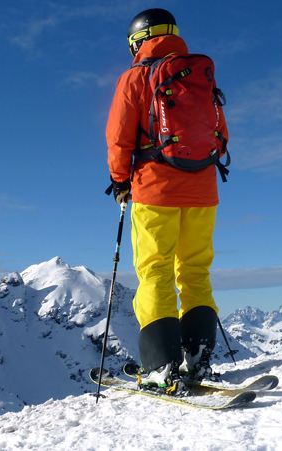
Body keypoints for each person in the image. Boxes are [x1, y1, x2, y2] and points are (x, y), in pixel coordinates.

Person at [106, 8, 229, 396]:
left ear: (138, 41)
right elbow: (220, 134)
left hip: (155, 189)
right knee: (195, 271)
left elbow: (119, 136)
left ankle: (160, 367)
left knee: (155, 270)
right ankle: (199, 359)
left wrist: (120, 180)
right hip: (204, 190)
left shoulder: (135, 78)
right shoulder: (200, 76)